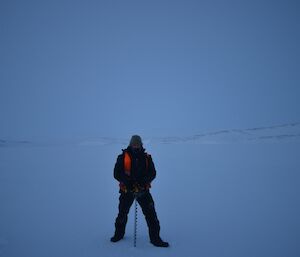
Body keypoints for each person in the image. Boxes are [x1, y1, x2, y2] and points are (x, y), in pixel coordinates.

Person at [111, 135, 169, 247]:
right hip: (127, 191)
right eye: (134, 143)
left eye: (137, 143)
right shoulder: (122, 157)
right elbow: (116, 173)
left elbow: (153, 173)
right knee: (122, 214)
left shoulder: (147, 157)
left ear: (141, 144)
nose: (136, 145)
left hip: (143, 191)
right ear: (130, 144)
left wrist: (144, 181)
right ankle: (118, 235)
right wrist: (127, 181)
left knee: (151, 215)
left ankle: (155, 239)